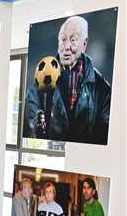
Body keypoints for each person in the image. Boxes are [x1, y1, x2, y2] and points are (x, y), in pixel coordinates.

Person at [24, 16, 111, 145]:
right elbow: (27, 125)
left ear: (84, 44)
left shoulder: (101, 89)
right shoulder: (40, 83)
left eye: (73, 40)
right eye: (63, 40)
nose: (67, 47)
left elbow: (105, 132)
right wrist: (36, 129)